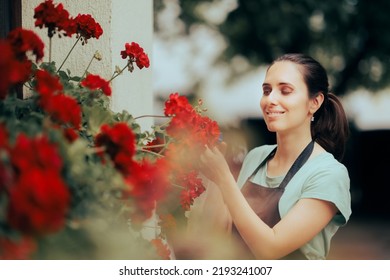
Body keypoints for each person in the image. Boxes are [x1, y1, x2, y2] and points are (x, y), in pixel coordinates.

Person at [197, 53, 352, 260]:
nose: (270, 100)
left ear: (314, 102)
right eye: (266, 90)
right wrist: (215, 177)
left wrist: (225, 180)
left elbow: (271, 248)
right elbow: (219, 235)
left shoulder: (328, 174)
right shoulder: (256, 158)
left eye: (285, 91)